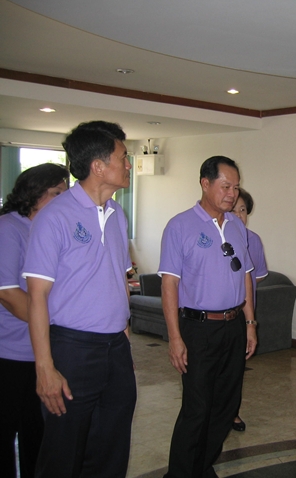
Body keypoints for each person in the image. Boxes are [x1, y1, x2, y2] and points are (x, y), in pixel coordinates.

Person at [23, 121, 137, 478]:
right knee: (64, 451)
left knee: (111, 449)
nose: (129, 164)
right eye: (123, 157)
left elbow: (119, 279)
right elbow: (37, 296)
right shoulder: (55, 217)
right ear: (98, 166)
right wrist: (45, 367)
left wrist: (125, 336)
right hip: (72, 349)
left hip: (115, 348)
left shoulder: (118, 214)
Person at [159, 156, 258, 478]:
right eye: (225, 186)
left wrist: (250, 323)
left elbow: (245, 275)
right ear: (205, 183)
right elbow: (169, 284)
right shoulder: (180, 226)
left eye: (236, 187)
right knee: (197, 408)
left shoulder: (237, 226)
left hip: (234, 326)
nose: (232, 194)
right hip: (198, 328)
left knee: (226, 406)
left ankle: (201, 467)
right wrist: (175, 338)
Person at [0, 163, 69, 478]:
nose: (62, 201)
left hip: (45, 353)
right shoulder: (9, 228)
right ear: (33, 193)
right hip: (11, 354)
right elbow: (8, 293)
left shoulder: (51, 229)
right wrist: (52, 324)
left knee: (38, 436)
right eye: (55, 193)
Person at [230, 187, 268, 432]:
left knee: (236, 369)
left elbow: (259, 275)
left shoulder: (253, 240)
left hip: (243, 314)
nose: (239, 215)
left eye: (243, 210)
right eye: (234, 210)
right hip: (217, 313)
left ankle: (232, 413)